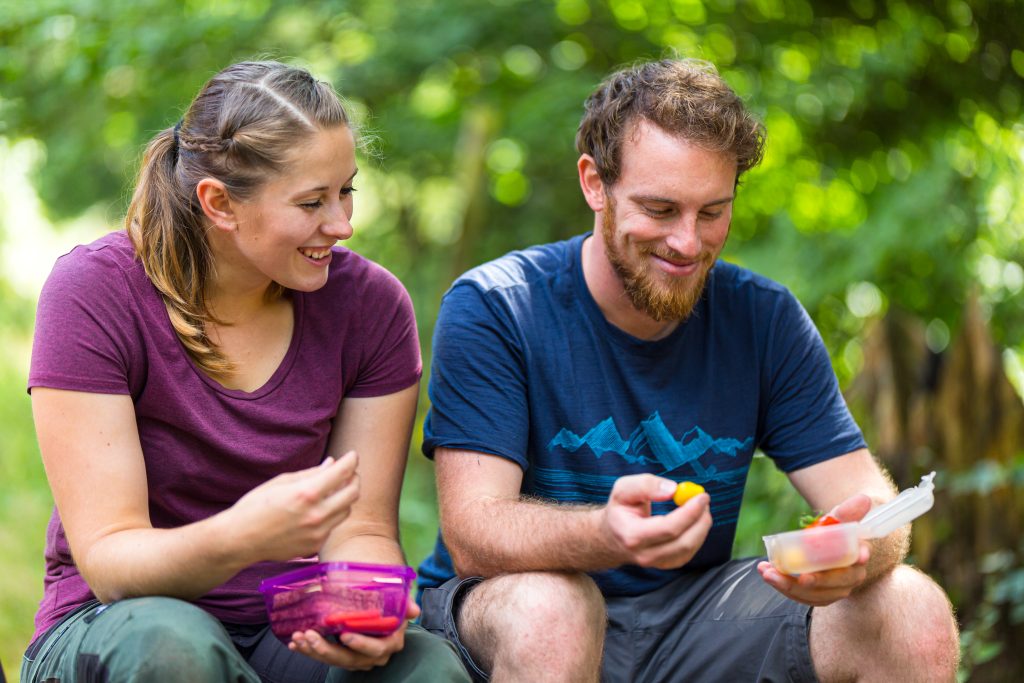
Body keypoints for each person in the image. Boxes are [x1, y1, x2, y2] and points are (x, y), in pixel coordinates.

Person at [416, 58, 960, 682]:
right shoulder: (498, 306)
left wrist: (858, 553)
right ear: (595, 184)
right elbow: (474, 532)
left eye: (711, 212)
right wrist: (605, 534)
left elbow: (874, 506)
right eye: (660, 208)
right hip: (512, 607)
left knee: (911, 608)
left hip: (692, 620)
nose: (687, 243)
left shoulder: (765, 320)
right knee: (554, 611)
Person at [22, 60, 469, 683]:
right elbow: (111, 559)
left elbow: (361, 528)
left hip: (285, 624)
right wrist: (243, 535)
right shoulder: (94, 292)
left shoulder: (371, 305)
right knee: (175, 647)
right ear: (219, 203)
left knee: (424, 667)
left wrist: (364, 612)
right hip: (118, 623)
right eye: (312, 201)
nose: (342, 225)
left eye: (347, 190)